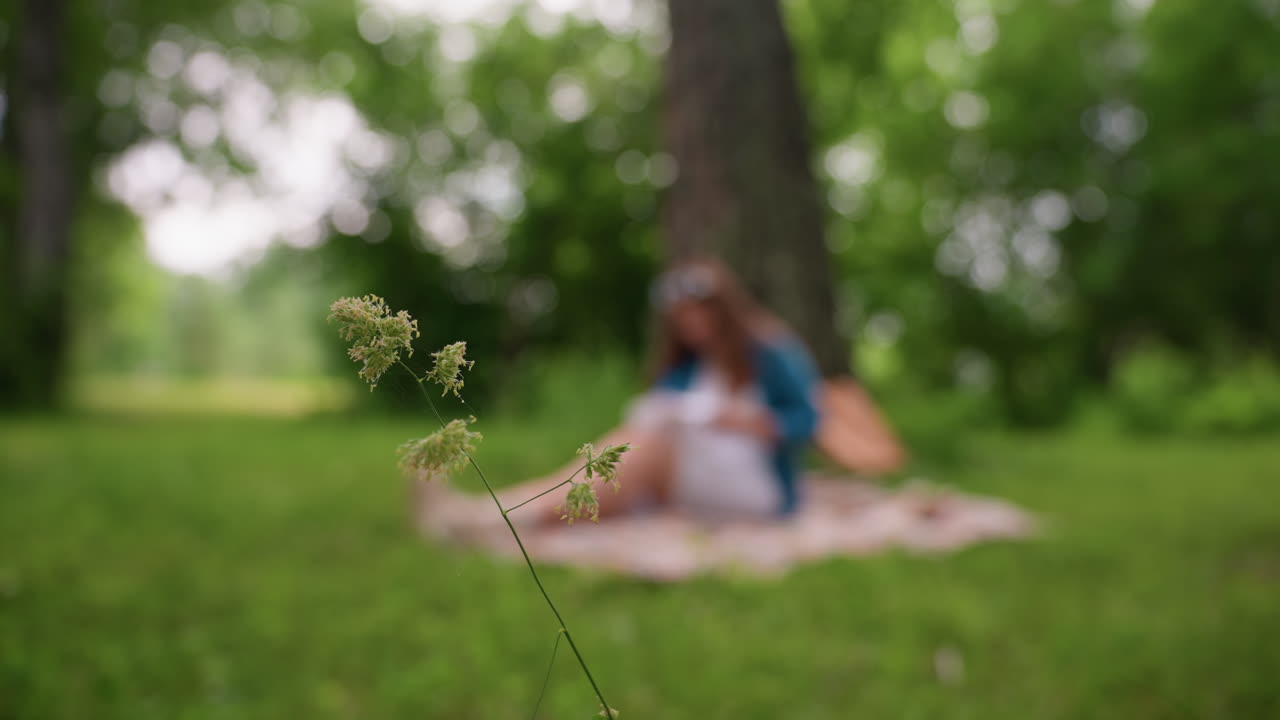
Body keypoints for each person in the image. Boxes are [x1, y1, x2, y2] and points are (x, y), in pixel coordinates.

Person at [485, 257, 822, 526]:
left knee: (642, 453)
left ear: (721, 308)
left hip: (758, 484)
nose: (691, 324)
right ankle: (518, 510)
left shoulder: (771, 353)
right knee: (632, 449)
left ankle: (513, 515)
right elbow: (660, 410)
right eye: (681, 317)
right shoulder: (688, 366)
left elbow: (808, 422)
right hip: (693, 472)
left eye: (697, 311)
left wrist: (749, 422)